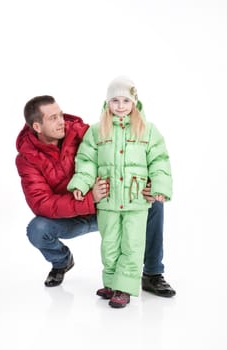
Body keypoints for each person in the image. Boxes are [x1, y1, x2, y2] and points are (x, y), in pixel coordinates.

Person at [15, 94, 176, 299]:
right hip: (75, 213)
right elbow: (41, 203)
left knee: (153, 204)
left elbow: (126, 148)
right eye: (53, 118)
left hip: (109, 203)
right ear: (37, 127)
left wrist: (150, 183)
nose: (61, 121)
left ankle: (152, 273)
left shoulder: (82, 132)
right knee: (37, 229)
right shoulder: (27, 158)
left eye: (61, 115)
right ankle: (62, 261)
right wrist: (89, 199)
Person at [67, 76, 173, 308]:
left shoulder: (147, 130)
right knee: (110, 243)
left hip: (136, 199)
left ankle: (124, 288)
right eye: (115, 100)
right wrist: (81, 184)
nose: (121, 105)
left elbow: (159, 161)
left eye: (126, 100)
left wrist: (159, 188)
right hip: (108, 199)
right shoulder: (96, 132)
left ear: (135, 102)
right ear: (107, 103)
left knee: (132, 244)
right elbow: (86, 160)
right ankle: (112, 282)